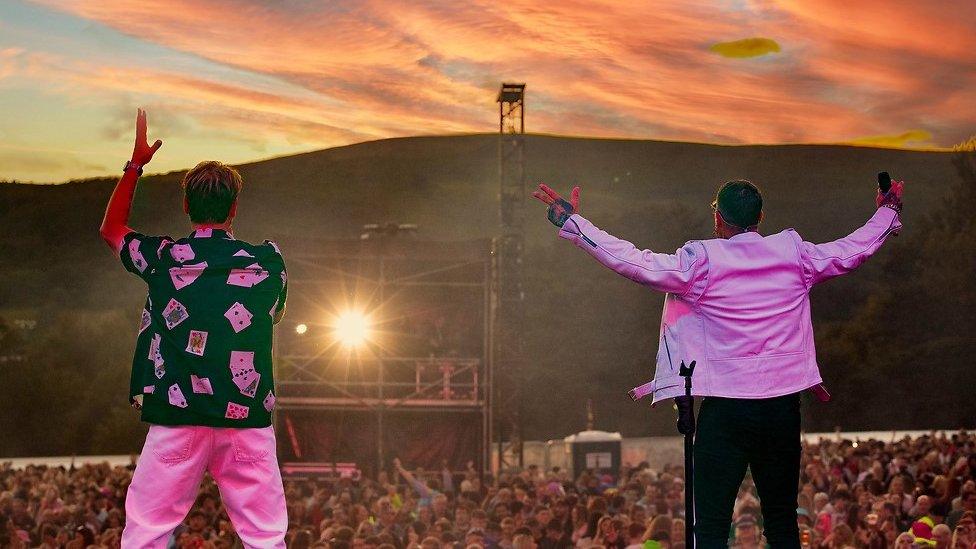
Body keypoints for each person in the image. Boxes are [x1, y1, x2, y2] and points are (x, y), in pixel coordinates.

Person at [533, 177, 904, 549]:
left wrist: (573, 223)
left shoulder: (702, 261)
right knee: (781, 520)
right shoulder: (794, 254)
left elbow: (634, 262)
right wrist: (887, 211)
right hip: (782, 409)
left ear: (718, 219)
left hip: (726, 410)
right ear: (760, 216)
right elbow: (852, 249)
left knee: (710, 526)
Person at [98, 108, 288, 547]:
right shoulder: (267, 262)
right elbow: (273, 315)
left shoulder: (163, 258)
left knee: (147, 531)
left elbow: (111, 230)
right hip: (244, 415)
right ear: (234, 208)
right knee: (264, 536)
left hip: (176, 412)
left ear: (186, 206)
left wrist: (136, 166)